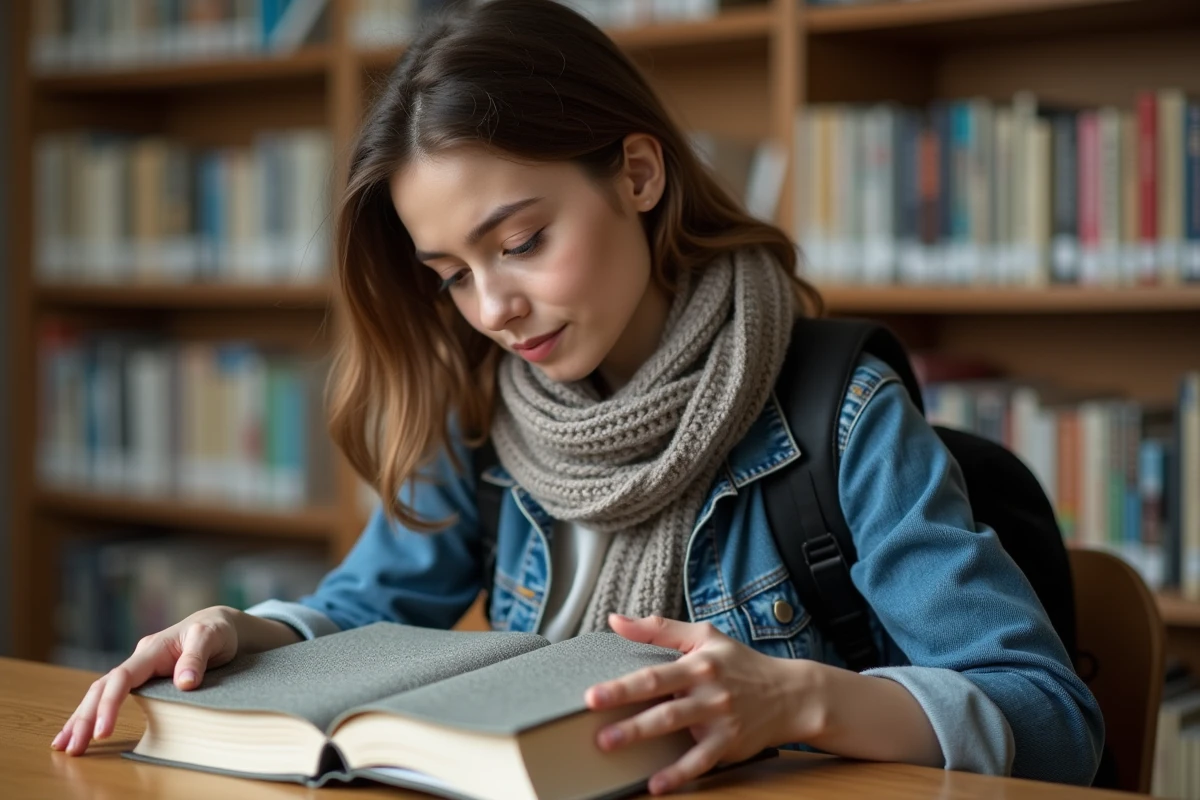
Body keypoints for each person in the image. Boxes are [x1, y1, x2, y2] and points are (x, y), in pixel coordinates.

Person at [52, 0, 1103, 791]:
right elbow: (364, 610)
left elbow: (1050, 714)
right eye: (453, 275)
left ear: (637, 175)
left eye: (521, 242)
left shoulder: (844, 411)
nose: (495, 307)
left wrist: (801, 698)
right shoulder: (479, 408)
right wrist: (244, 631)